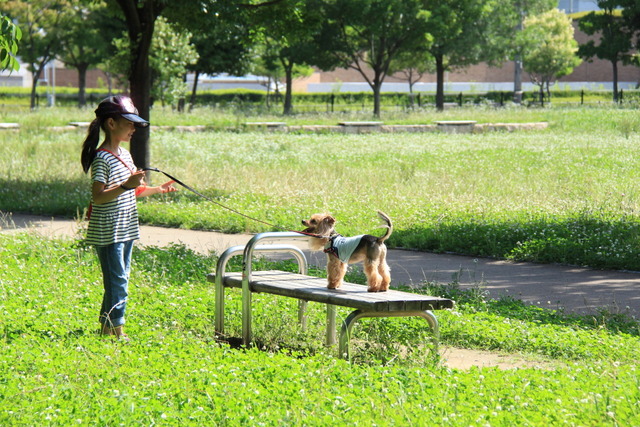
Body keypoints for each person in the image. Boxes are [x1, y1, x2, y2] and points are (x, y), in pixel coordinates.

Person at [80, 95, 177, 340]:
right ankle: (117, 333)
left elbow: (133, 189)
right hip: (109, 231)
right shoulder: (102, 158)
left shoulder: (124, 153)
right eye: (129, 123)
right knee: (118, 282)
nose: (134, 128)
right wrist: (126, 185)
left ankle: (106, 329)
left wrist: (158, 190)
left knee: (118, 281)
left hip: (126, 228)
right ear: (111, 124)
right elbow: (98, 197)